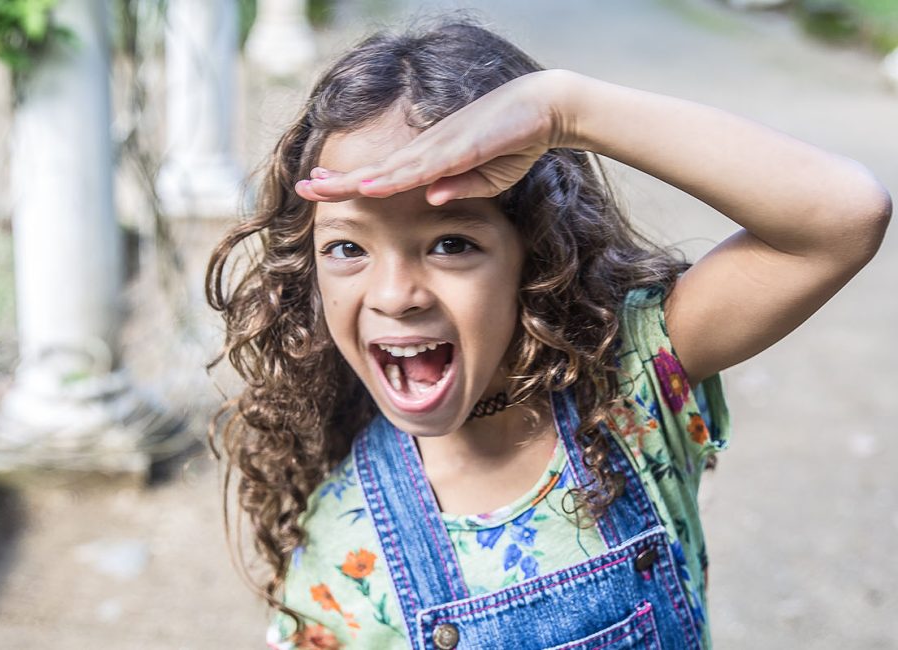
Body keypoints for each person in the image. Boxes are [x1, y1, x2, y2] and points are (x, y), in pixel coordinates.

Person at [205, 19, 891, 650]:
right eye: (348, 249)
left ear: (534, 257)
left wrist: (567, 110)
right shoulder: (342, 547)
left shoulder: (632, 387)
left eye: (450, 242)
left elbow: (843, 217)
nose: (394, 295)